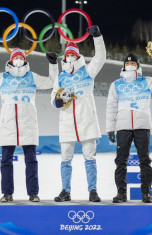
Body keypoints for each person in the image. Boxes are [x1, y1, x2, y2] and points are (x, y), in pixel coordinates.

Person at [0, 48, 58, 202]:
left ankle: (33, 193)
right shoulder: (3, 77)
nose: (18, 59)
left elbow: (53, 82)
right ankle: (7, 193)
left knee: (31, 160)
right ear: (11, 61)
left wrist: (53, 64)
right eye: (15, 57)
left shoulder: (32, 77)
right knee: (6, 160)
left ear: (25, 60)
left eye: (21, 57)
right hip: (8, 124)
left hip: (28, 124)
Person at [106, 49, 152, 203]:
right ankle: (121, 194)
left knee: (145, 160)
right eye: (127, 63)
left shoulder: (146, 81)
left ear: (138, 66)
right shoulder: (116, 85)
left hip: (142, 126)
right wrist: (110, 128)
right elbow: (110, 107)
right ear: (123, 66)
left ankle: (146, 193)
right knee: (120, 161)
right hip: (123, 127)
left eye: (133, 63)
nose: (130, 65)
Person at [48, 25, 106, 202]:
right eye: (68, 55)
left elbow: (100, 57)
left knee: (90, 157)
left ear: (78, 56)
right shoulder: (60, 77)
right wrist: (56, 102)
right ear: (64, 58)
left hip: (86, 119)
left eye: (73, 54)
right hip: (67, 122)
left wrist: (97, 36)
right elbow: (53, 96)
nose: (71, 57)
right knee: (65, 158)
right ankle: (65, 191)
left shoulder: (87, 71)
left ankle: (93, 191)